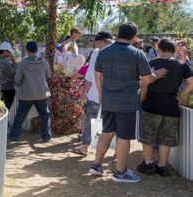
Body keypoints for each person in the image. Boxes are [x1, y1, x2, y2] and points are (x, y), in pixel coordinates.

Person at [89, 22, 167, 183]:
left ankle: (96, 165)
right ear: (133, 36)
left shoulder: (103, 52)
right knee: (124, 137)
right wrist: (155, 75)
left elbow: (98, 74)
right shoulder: (137, 54)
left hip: (108, 99)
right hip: (128, 102)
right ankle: (120, 173)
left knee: (107, 132)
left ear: (118, 34)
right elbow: (147, 78)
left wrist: (101, 94)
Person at [137, 38, 193, 177]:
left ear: (158, 49)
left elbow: (143, 82)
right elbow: (191, 82)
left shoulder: (151, 63)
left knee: (148, 135)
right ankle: (163, 166)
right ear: (174, 50)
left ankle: (149, 164)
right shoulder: (182, 65)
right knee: (165, 138)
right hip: (171, 105)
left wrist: (142, 96)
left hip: (151, 104)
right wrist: (181, 96)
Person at [73, 31, 113, 156]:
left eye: (98, 42)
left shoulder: (96, 53)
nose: (96, 44)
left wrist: (84, 92)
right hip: (113, 96)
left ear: (104, 41)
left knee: (90, 120)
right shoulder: (118, 52)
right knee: (111, 123)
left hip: (97, 95)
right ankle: (115, 150)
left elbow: (90, 76)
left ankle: (85, 146)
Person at [8, 41, 52, 142]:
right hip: (42, 94)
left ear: (27, 51)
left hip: (26, 95)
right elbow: (49, 75)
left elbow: (18, 79)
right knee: (45, 115)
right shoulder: (44, 62)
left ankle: (14, 135)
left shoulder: (22, 64)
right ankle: (46, 136)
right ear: (37, 50)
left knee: (20, 116)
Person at [0, 42, 17, 110]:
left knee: (4, 109)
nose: (10, 53)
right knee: (8, 109)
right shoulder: (3, 61)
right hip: (8, 88)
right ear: (5, 51)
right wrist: (14, 63)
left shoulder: (0, 59)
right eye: (9, 51)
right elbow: (12, 74)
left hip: (2, 87)